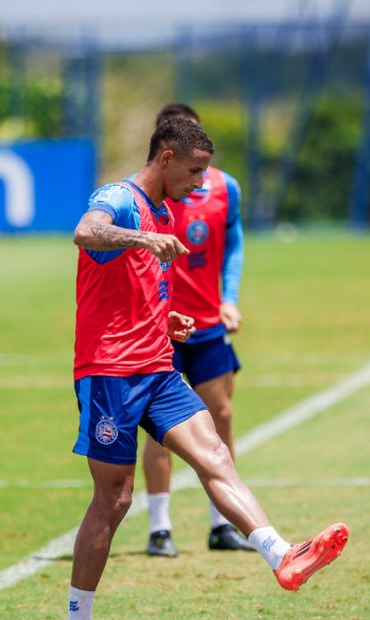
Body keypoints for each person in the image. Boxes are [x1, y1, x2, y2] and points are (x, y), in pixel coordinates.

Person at [52, 116, 348, 620]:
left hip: (158, 368)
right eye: (194, 171)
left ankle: (282, 555)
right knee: (114, 500)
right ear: (166, 158)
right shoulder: (119, 199)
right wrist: (143, 237)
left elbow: (132, 287)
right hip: (110, 373)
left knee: (215, 454)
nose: (199, 183)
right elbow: (86, 232)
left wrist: (164, 320)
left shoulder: (167, 211)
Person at [142, 102, 250, 558]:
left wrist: (229, 297)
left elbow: (234, 242)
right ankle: (159, 528)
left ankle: (222, 524)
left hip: (207, 324)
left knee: (220, 416)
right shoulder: (147, 195)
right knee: (161, 429)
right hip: (161, 329)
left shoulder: (224, 187)